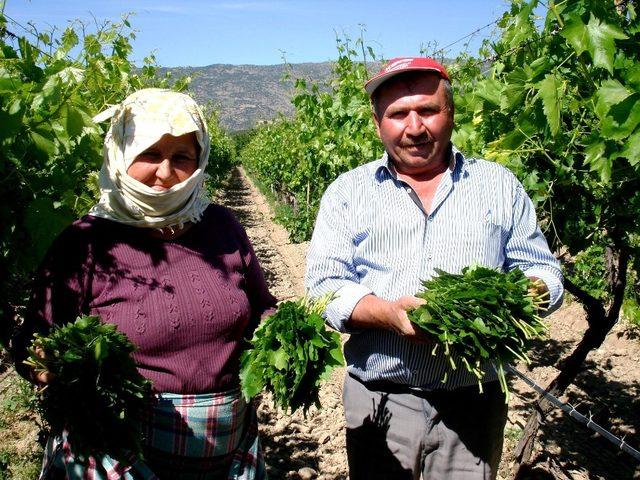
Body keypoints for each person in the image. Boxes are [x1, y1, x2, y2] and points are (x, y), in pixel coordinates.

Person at [305, 58, 564, 480]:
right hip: (379, 401)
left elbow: (544, 272)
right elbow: (323, 287)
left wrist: (519, 295)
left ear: (451, 114)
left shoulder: (498, 185)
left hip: (472, 403)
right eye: (397, 114)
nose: (414, 127)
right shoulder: (347, 193)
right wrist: (389, 314)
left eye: (427, 110)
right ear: (377, 124)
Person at [14, 88, 276, 480]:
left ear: (200, 160)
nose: (166, 172)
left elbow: (260, 308)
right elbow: (34, 339)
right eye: (150, 154)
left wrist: (281, 329)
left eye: (182, 157)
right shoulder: (84, 243)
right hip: (117, 454)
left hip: (225, 453)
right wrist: (45, 364)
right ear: (120, 154)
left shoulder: (222, 227)